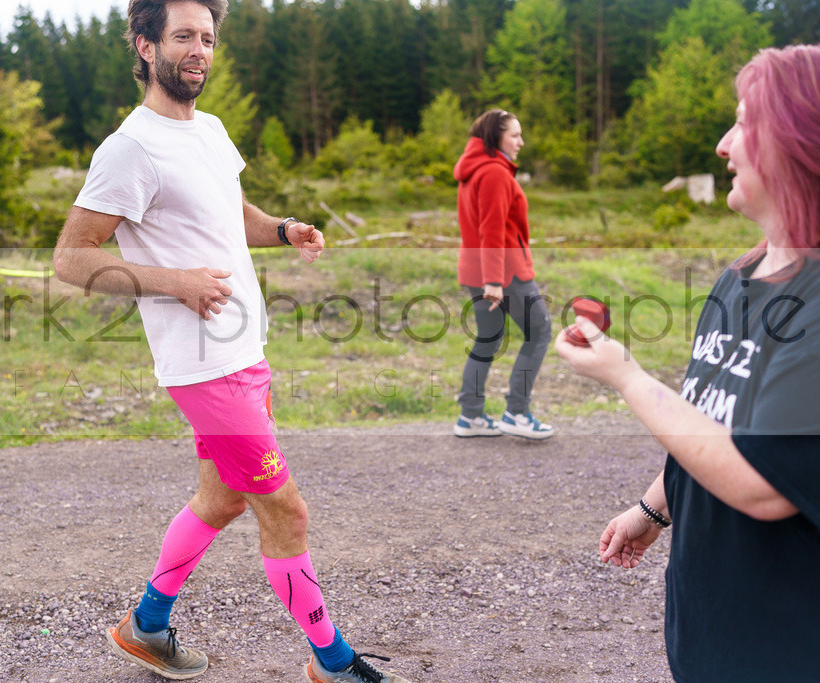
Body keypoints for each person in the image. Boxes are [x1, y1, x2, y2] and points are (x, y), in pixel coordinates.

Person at [53, 1, 411, 681]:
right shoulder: (129, 147)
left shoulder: (210, 129)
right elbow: (71, 258)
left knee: (222, 498)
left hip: (244, 351)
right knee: (286, 506)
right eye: (184, 35)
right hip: (203, 365)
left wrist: (283, 229)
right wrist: (173, 282)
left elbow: (227, 211)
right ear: (145, 44)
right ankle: (334, 664)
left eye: (209, 38)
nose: (200, 50)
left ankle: (146, 627)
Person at [555, 41, 820, 681]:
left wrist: (626, 376)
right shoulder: (746, 274)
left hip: (813, 650)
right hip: (716, 639)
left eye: (744, 124)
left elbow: (764, 483)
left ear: (808, 141)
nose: (724, 146)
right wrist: (653, 507)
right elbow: (715, 416)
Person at [452, 109, 553, 440]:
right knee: (539, 331)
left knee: (489, 338)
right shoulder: (494, 172)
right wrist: (494, 281)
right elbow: (491, 230)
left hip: (475, 269)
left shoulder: (474, 169)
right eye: (515, 135)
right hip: (504, 272)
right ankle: (517, 413)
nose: (521, 142)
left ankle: (471, 416)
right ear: (496, 138)